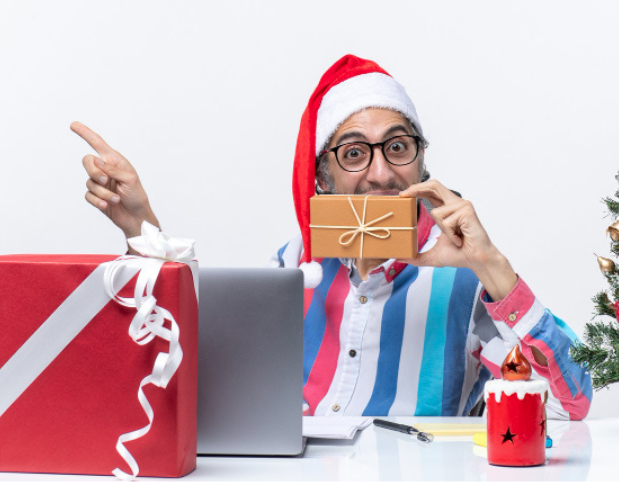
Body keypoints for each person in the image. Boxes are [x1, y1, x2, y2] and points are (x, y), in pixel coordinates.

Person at [72, 55, 592, 420]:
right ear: (324, 177)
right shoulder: (295, 263)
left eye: (397, 147)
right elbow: (207, 370)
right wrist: (140, 224)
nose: (381, 174)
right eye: (353, 153)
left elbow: (573, 407)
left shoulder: (467, 280)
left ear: (422, 160)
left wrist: (491, 266)